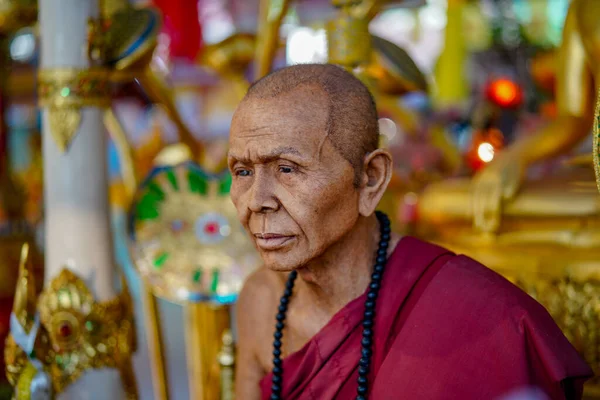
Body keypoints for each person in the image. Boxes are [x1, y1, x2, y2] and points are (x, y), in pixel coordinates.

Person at [228, 63, 592, 400]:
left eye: (287, 169)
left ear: (371, 179)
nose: (257, 201)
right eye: (243, 171)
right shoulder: (261, 299)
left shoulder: (487, 320)